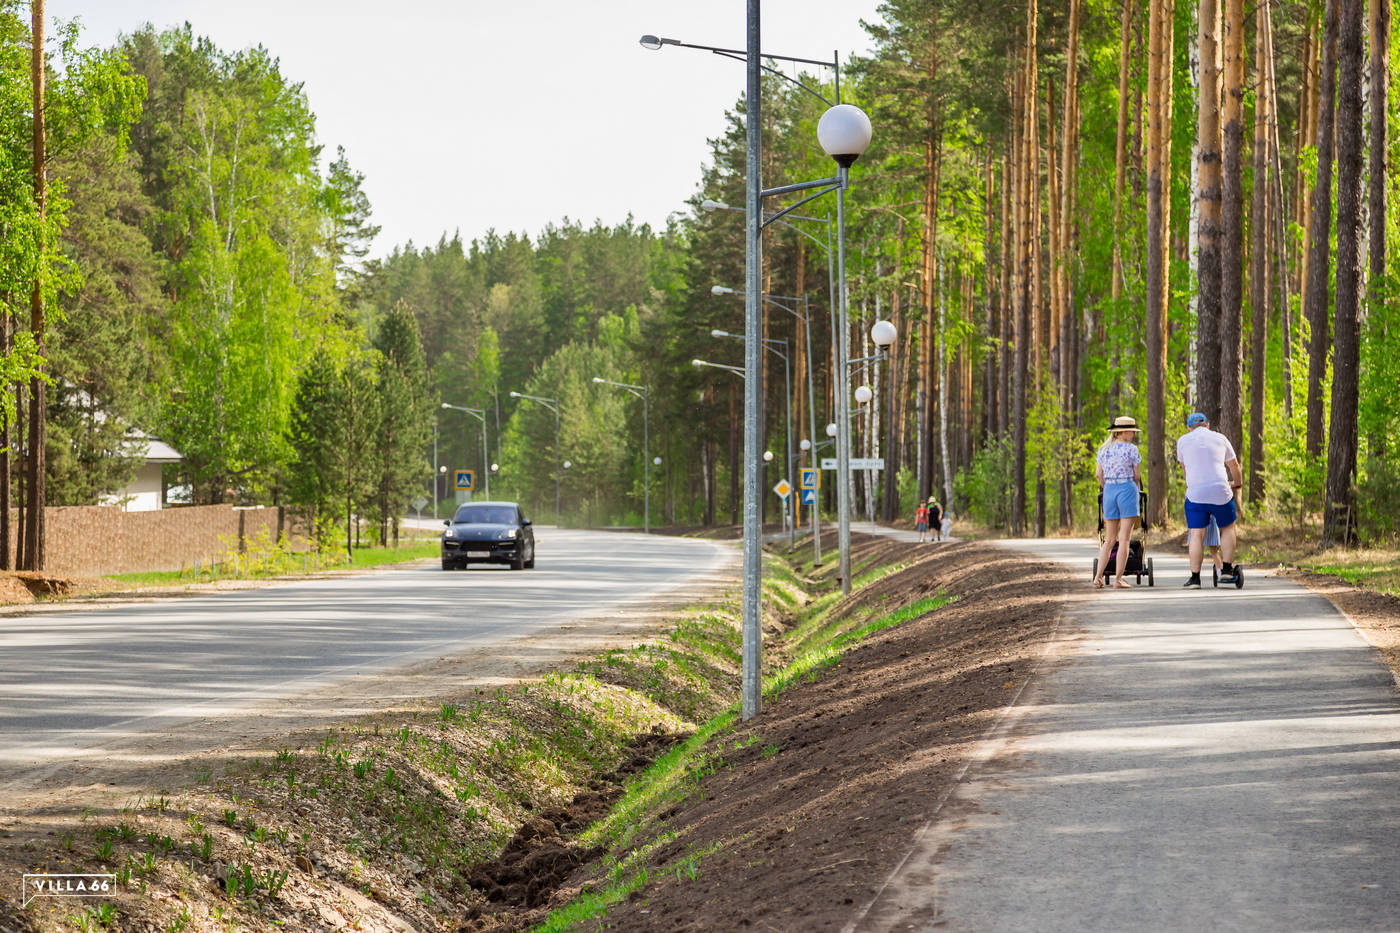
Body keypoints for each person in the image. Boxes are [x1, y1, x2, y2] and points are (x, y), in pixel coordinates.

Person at [1176, 411, 1244, 588]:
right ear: (1208, 424)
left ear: (1190, 428)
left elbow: (1186, 470)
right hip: (1220, 491)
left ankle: (1195, 578)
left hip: (1196, 494)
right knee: (1228, 528)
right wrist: (1237, 483)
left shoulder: (1182, 441)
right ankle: (1227, 570)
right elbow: (1234, 465)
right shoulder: (1220, 438)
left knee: (1196, 534)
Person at [1092, 415, 1143, 589]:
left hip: (1109, 491)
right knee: (1124, 538)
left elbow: (1098, 474)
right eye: (1132, 431)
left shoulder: (1104, 449)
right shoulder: (1132, 449)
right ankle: (1118, 579)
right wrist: (1132, 487)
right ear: (1124, 432)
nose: (1133, 435)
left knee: (1109, 539)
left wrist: (1108, 487)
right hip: (1126, 489)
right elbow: (1137, 476)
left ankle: (1098, 577)